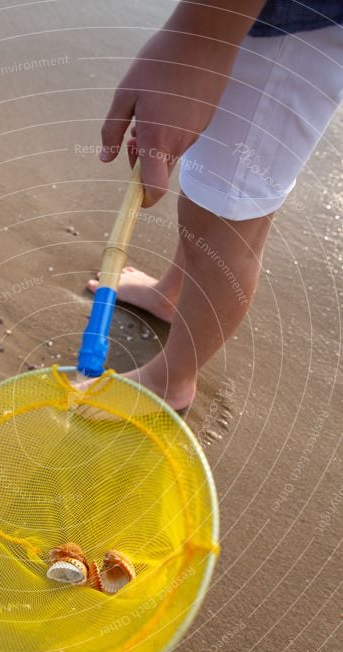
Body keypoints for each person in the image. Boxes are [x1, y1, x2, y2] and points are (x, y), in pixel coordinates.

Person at [88, 0, 343, 410]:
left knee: (227, 219)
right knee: (205, 188)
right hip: (248, 20)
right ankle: (172, 293)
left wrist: (192, 45)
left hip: (290, 33)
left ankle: (171, 380)